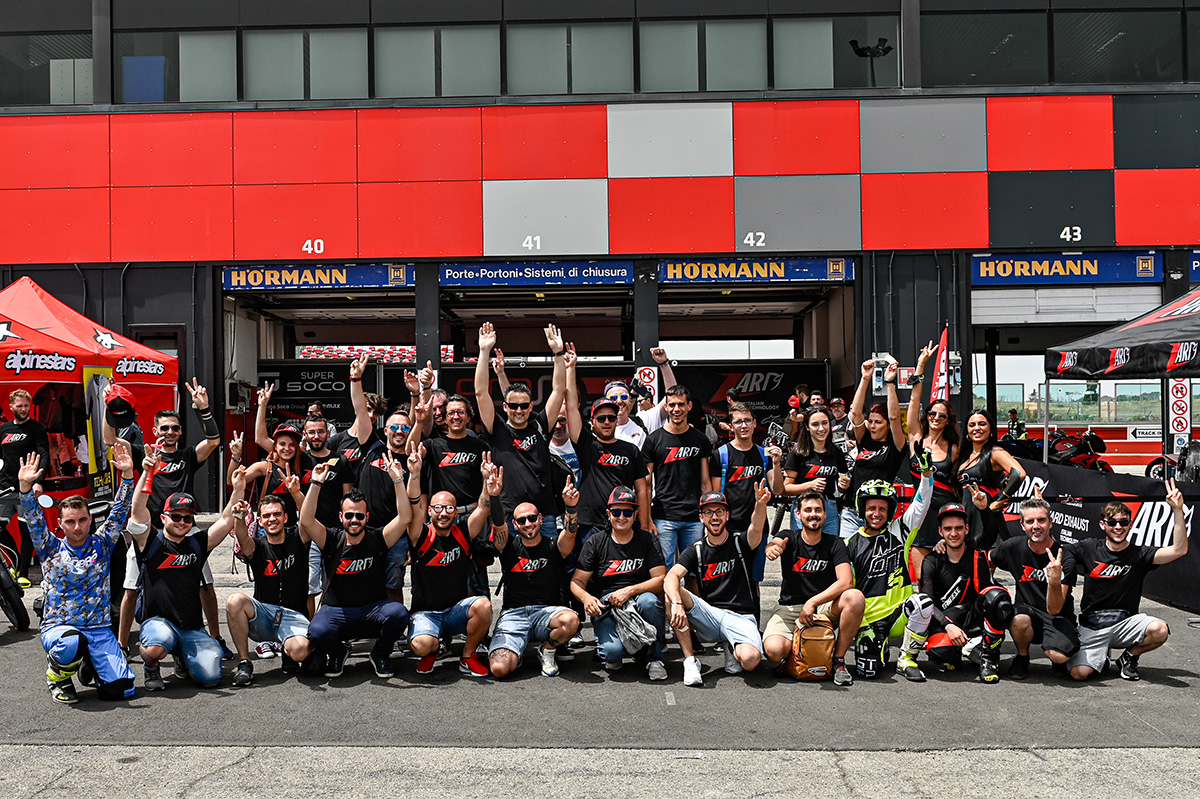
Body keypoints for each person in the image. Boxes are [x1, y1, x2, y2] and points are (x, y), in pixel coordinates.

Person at [19, 446, 138, 703]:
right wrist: (26, 489)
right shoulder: (50, 547)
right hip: (61, 630)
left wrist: (127, 476)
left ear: (90, 520)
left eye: (82, 520)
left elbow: (120, 512)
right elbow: (33, 519)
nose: (77, 527)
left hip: (99, 629)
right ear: (60, 523)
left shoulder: (102, 544)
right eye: (70, 522)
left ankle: (91, 664)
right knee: (73, 643)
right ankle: (57, 677)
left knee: (121, 690)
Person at [128, 452, 241, 691]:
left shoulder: (197, 543)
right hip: (158, 623)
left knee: (211, 677)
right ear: (163, 517)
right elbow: (137, 509)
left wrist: (238, 489)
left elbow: (226, 519)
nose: (182, 521)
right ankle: (151, 666)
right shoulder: (150, 541)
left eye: (188, 518)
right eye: (176, 516)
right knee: (156, 646)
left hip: (191, 627)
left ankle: (183, 655)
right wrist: (147, 473)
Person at [133, 379, 228, 656]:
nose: (170, 432)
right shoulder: (146, 456)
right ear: (155, 431)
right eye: (164, 428)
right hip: (149, 534)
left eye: (175, 428)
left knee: (205, 584)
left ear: (181, 431)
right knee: (130, 588)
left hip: (185, 529)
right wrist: (110, 407)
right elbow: (110, 440)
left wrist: (204, 409)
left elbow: (214, 441)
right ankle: (123, 642)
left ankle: (215, 636)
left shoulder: (187, 456)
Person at [299, 455, 412, 679]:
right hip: (338, 612)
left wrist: (398, 480)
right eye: (349, 515)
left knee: (399, 614)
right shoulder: (331, 539)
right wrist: (316, 483)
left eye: (359, 516)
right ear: (341, 517)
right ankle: (338, 652)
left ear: (366, 517)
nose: (354, 520)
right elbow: (306, 520)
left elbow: (404, 518)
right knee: (317, 632)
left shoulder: (377, 538)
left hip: (372, 611)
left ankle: (380, 654)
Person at [1065, 483, 1188, 682]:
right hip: (1092, 626)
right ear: (1103, 525)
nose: (1118, 527)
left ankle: (1129, 657)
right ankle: (1102, 658)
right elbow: (1057, 549)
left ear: (1131, 525)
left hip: (1126, 624)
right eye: (1112, 522)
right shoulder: (1088, 547)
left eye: (1123, 522)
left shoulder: (1140, 554)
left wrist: (1178, 510)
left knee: (1160, 630)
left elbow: (1179, 550)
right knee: (1078, 674)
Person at [403, 446, 499, 677]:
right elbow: (413, 504)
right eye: (438, 508)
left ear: (456, 512)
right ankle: (433, 649)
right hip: (426, 613)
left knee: (484, 606)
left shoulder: (463, 532)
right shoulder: (420, 535)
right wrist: (414, 474)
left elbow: (483, 508)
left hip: (456, 612)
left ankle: (467, 656)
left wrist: (486, 482)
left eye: (448, 508)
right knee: (421, 645)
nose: (443, 513)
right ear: (430, 511)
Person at [668, 484, 771, 687]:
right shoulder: (696, 550)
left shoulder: (740, 542)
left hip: (741, 617)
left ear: (727, 515)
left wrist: (760, 505)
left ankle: (731, 646)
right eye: (708, 512)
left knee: (750, 660)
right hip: (711, 616)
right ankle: (690, 662)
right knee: (670, 591)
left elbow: (756, 528)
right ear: (701, 517)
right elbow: (671, 576)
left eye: (719, 512)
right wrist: (677, 604)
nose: (714, 517)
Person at [903, 503, 1015, 684]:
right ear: (940, 531)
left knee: (998, 598)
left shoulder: (976, 548)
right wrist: (948, 626)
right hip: (950, 619)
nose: (953, 533)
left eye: (958, 528)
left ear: (966, 529)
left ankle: (989, 659)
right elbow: (928, 604)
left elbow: (991, 532)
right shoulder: (931, 561)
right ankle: (960, 651)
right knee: (939, 652)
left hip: (976, 616)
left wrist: (984, 509)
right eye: (948, 529)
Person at [762, 490, 864, 686]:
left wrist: (813, 602)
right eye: (808, 510)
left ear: (825, 514)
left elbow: (846, 582)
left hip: (823, 609)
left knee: (855, 597)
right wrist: (772, 548)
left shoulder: (835, 543)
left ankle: (838, 661)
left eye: (818, 510)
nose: (813, 514)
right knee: (774, 651)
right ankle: (794, 661)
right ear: (798, 514)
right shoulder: (789, 537)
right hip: (790, 608)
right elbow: (775, 543)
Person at [474, 321, 566, 540]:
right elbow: (480, 392)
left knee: (548, 561)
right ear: (505, 407)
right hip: (509, 515)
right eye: (513, 406)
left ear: (531, 406)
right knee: (510, 562)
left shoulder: (541, 425)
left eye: (524, 405)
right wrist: (484, 351)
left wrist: (558, 353)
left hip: (544, 516)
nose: (519, 410)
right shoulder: (496, 429)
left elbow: (558, 390)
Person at [844, 458, 934, 681]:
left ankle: (907, 658)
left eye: (882, 509)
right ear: (862, 509)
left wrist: (926, 475)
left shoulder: (900, 531)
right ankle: (878, 644)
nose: (876, 513)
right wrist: (861, 626)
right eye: (871, 508)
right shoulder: (849, 543)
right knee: (869, 672)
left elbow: (921, 504)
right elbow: (847, 589)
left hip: (899, 615)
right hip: (868, 620)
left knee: (923, 603)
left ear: (890, 510)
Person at [224, 469, 313, 687]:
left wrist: (296, 493)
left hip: (293, 616)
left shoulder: (298, 539)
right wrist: (239, 517)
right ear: (261, 521)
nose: (272, 519)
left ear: (285, 517)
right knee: (234, 600)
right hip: (264, 614)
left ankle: (288, 652)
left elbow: (308, 519)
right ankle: (244, 662)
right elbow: (243, 538)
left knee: (301, 651)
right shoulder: (257, 547)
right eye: (266, 516)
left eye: (276, 514)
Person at [571, 486, 668, 680]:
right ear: (608, 514)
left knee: (649, 601)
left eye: (627, 512)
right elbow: (577, 581)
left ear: (635, 515)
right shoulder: (596, 542)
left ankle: (654, 658)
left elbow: (660, 579)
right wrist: (587, 598)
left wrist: (629, 591)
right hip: (608, 606)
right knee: (612, 655)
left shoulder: (647, 540)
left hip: (639, 600)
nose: (621, 517)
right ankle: (629, 647)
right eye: (616, 512)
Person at [489, 478, 581, 678]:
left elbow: (570, 533)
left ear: (540, 519)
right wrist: (494, 496)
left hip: (546, 613)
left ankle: (547, 650)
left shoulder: (554, 546)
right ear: (515, 525)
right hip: (514, 615)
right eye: (521, 521)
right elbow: (498, 525)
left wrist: (571, 507)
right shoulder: (508, 546)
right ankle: (517, 650)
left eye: (531, 518)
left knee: (571, 621)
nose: (528, 524)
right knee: (499, 669)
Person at [990, 495, 1080, 679]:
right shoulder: (1013, 546)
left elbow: (1054, 609)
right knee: (1018, 619)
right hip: (1027, 613)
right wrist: (990, 587)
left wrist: (1054, 580)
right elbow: (986, 559)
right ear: (1022, 525)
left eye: (1041, 520)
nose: (1036, 526)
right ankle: (1022, 657)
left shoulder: (1065, 558)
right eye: (1030, 521)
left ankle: (1059, 651)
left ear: (1050, 523)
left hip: (1057, 616)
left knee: (1059, 656)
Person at [905, 340, 962, 581]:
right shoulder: (916, 439)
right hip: (920, 515)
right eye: (932, 413)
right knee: (920, 578)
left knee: (946, 579)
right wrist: (921, 365)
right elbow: (914, 401)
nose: (936, 417)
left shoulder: (954, 449)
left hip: (945, 516)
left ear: (948, 420)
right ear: (926, 416)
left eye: (942, 415)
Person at [643, 385, 712, 568]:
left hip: (694, 518)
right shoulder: (653, 440)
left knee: (694, 571)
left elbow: (706, 482)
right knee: (662, 570)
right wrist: (648, 519)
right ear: (665, 407)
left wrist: (708, 516)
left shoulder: (700, 439)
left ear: (689, 406)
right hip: (663, 517)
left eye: (681, 404)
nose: (676, 409)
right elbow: (646, 484)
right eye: (672, 404)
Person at [842, 360, 906, 538]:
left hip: (878, 515)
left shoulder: (895, 446)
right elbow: (855, 413)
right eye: (870, 421)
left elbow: (895, 417)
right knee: (845, 554)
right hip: (852, 513)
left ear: (887, 425)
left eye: (878, 422)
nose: (872, 426)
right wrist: (865, 378)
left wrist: (890, 383)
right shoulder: (865, 440)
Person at [0, 388, 50, 587]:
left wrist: (39, 481)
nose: (23, 409)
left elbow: (44, 455)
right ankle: (13, 562)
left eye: (26, 406)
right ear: (11, 406)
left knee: (26, 529)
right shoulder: (4, 430)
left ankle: (23, 573)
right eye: (19, 406)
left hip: (26, 487)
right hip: (4, 487)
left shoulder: (36, 428)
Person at [956, 409, 1024, 549]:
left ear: (991, 428)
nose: (977, 428)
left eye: (982, 424)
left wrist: (998, 503)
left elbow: (1019, 474)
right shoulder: (965, 456)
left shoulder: (995, 452)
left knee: (988, 560)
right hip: (967, 520)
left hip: (987, 521)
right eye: (972, 425)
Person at [779, 406, 849, 538]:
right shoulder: (797, 453)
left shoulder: (837, 452)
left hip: (829, 509)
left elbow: (843, 480)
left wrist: (843, 485)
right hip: (804, 507)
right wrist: (810, 485)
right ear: (807, 427)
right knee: (803, 548)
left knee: (830, 548)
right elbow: (785, 489)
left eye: (825, 423)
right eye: (815, 424)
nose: (821, 429)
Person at [606, 347, 677, 449]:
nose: (619, 401)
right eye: (613, 398)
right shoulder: (598, 429)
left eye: (624, 396)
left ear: (629, 399)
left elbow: (673, 396)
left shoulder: (644, 421)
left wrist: (663, 364)